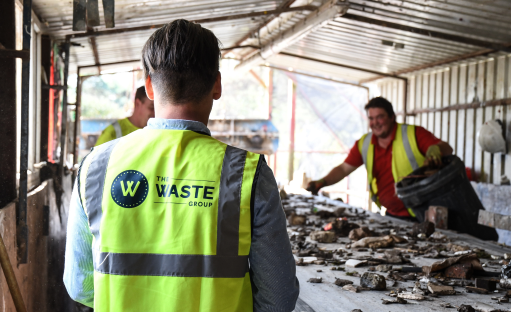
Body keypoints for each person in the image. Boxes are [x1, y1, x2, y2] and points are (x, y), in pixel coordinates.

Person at [64, 19, 299, 311]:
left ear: (149, 85)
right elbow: (278, 298)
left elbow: (80, 285)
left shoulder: (96, 166)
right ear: (217, 84)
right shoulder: (247, 174)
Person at [307, 97, 453, 220]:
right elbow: (344, 169)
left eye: (380, 117)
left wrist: (436, 148)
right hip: (391, 215)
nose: (375, 123)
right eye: (371, 118)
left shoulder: (413, 134)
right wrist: (323, 181)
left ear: (392, 117)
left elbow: (447, 148)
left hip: (422, 214)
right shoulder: (364, 144)